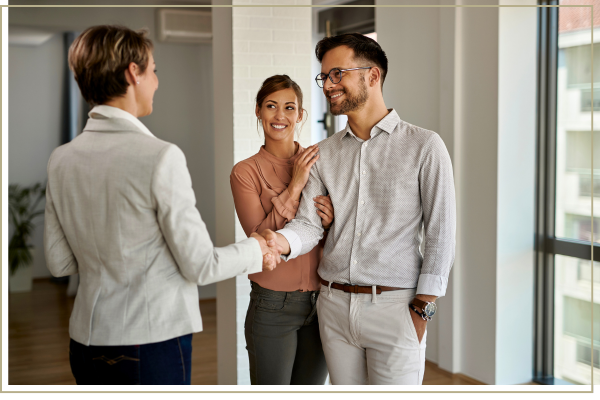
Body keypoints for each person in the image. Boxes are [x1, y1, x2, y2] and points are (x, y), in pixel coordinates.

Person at [43, 25, 279, 386]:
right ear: (132, 73)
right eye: (153, 70)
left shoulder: (61, 159)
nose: (156, 81)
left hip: (85, 343)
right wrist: (258, 248)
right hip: (147, 344)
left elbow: (59, 262)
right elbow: (200, 266)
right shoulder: (159, 157)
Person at [261, 33, 456, 385]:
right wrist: (281, 242)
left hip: (396, 308)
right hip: (334, 306)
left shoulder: (425, 146)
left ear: (372, 76)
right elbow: (308, 225)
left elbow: (442, 233)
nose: (328, 85)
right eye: (324, 77)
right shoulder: (324, 153)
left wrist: (421, 309)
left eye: (338, 74)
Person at [230, 75, 333, 385]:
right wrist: (296, 183)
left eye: (289, 107)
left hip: (324, 302)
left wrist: (330, 222)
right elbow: (260, 243)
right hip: (273, 305)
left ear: (300, 115)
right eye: (271, 106)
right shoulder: (245, 172)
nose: (280, 116)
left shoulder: (321, 161)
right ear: (259, 111)